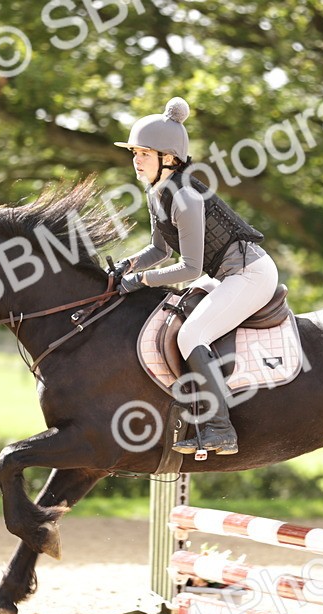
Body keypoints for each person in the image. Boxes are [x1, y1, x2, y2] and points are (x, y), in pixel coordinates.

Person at [113, 97, 279, 457]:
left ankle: (220, 429)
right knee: (173, 316)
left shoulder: (185, 196)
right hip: (226, 273)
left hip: (250, 274)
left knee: (192, 334)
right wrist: (126, 267)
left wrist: (141, 282)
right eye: (135, 153)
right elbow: (160, 251)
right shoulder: (156, 193)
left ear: (168, 158)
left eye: (144, 153)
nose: (136, 160)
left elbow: (190, 267)